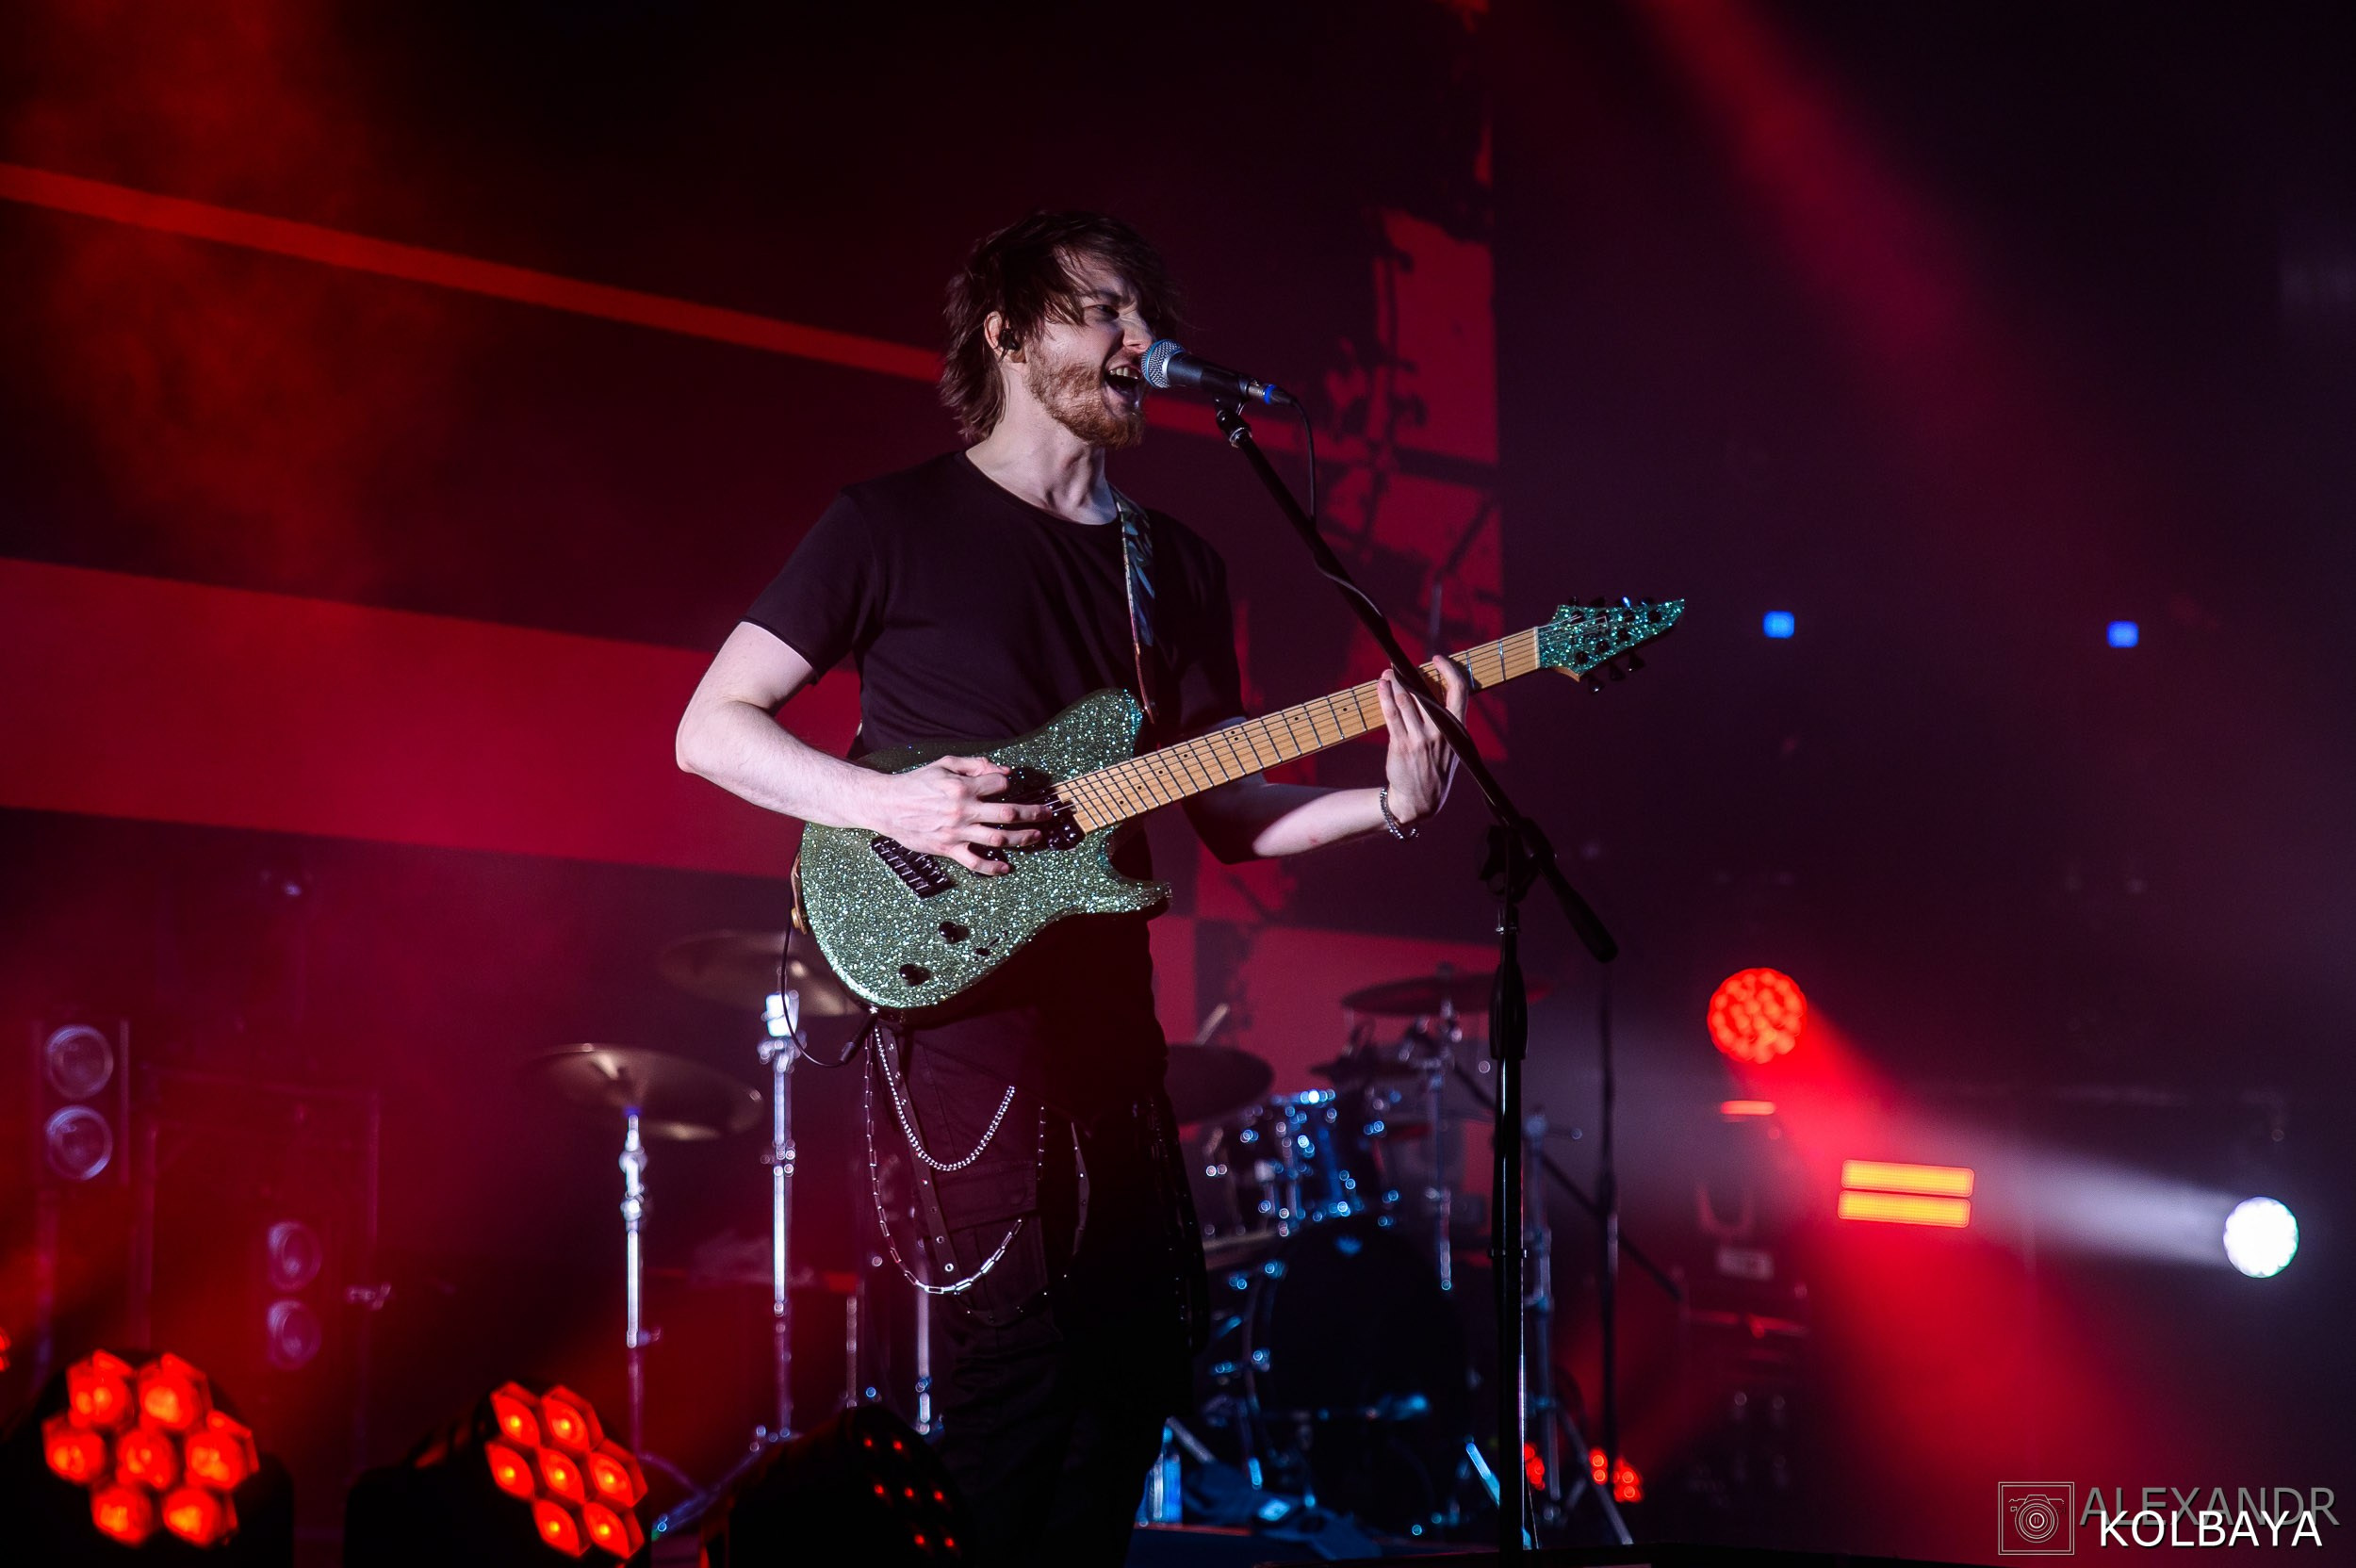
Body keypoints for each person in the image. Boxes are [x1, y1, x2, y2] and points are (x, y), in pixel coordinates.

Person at [676, 210, 1468, 1565]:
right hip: (955, 994)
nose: (1141, 341)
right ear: (1007, 336)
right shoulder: (890, 523)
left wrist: (1389, 805)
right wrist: (893, 801)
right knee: (1027, 1359)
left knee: (1143, 1355)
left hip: (1109, 1009)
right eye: (1105, 312)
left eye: (1147, 315)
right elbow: (712, 728)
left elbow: (1227, 806)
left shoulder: (1174, 566)